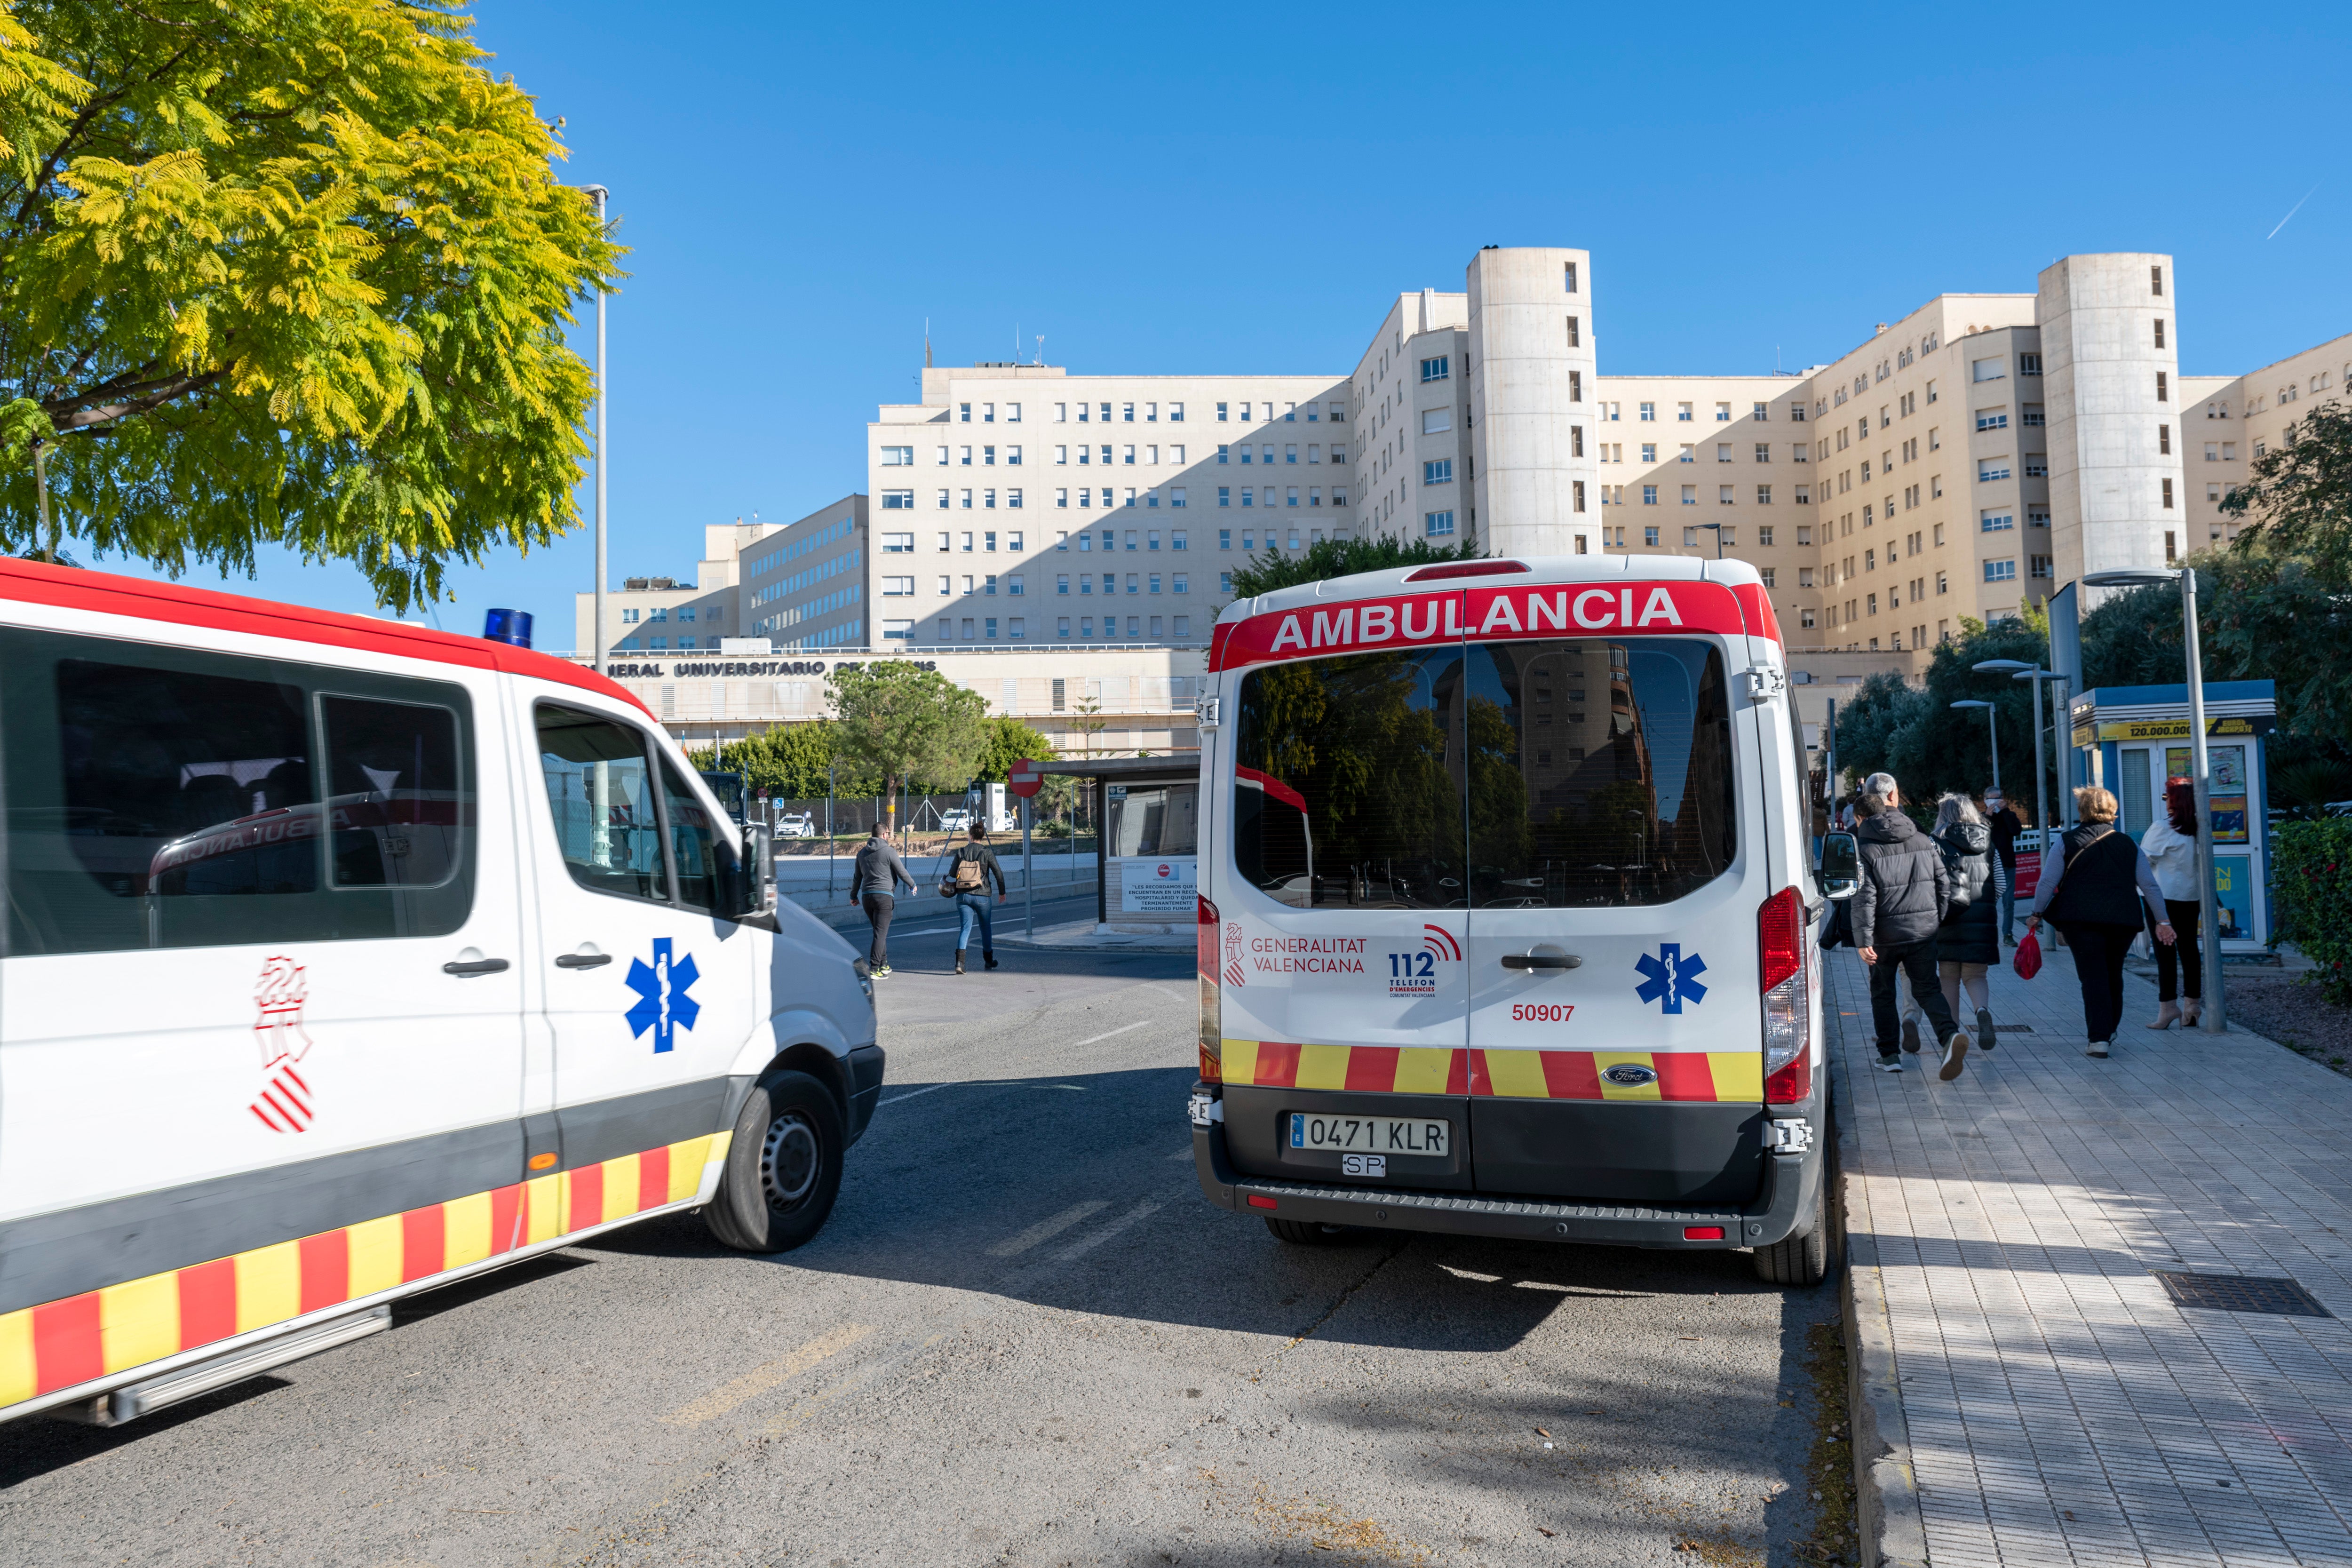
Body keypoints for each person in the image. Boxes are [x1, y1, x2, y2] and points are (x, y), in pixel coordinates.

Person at [2026, 785, 2173, 1059]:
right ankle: (2109, 1028)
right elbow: (2150, 886)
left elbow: (2048, 880)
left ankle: (2099, 1039)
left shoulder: (2067, 841)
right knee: (2112, 973)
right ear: (2112, 812)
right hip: (2122, 920)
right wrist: (2163, 920)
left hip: (2080, 921)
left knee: (2092, 976)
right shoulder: (2129, 844)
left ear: (2082, 810)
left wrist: (2036, 913)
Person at [1851, 772, 1971, 1080]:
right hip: (1922, 931)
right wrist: (1935, 919)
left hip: (1883, 936)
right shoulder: (1921, 838)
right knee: (1928, 987)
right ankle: (1948, 1036)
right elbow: (1943, 883)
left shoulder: (1864, 843)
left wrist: (1863, 938)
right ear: (1895, 796)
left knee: (1883, 991)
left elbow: (1864, 896)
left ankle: (1890, 1054)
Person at [1924, 792, 2000, 1052]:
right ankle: (1981, 1011)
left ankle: (1953, 1035)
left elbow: (1929, 884)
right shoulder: (1988, 842)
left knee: (1948, 978)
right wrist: (1985, 905)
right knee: (1976, 975)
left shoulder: (1935, 843)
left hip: (1947, 921)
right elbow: (1999, 884)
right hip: (1982, 922)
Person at [2139, 780, 2203, 1029]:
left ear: (2174, 801)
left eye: (2168, 798)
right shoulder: (2201, 828)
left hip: (2161, 898)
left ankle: (2168, 1008)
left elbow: (2144, 861)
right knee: (2189, 950)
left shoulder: (2163, 827)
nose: (2166, 802)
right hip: (2191, 896)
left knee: (2165, 954)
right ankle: (2193, 1006)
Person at [849, 823, 915, 977]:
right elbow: (901, 872)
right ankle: (874, 969)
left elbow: (857, 878)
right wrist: (912, 884)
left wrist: (853, 896)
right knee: (880, 933)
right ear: (885, 835)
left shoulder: (861, 853)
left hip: (867, 898)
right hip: (884, 897)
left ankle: (884, 964)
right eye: (889, 833)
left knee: (879, 932)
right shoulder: (889, 851)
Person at [944, 823, 1009, 975]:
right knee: (985, 929)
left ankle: (960, 963)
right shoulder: (987, 853)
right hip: (983, 895)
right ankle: (988, 960)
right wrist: (1002, 892)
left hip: (963, 896)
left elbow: (952, 874)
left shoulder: (961, 851)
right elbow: (999, 873)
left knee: (965, 929)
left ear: (971, 836)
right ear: (983, 837)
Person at [1983, 786, 2020, 946]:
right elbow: (1980, 836)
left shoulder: (2009, 816)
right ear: (1985, 800)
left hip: (2007, 864)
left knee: (2008, 902)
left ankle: (2008, 934)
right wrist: (1988, 818)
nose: (1994, 802)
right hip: (1987, 866)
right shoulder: (1981, 818)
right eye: (1991, 799)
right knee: (1988, 902)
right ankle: (1987, 934)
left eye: (1997, 798)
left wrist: (2005, 812)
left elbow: (2016, 831)